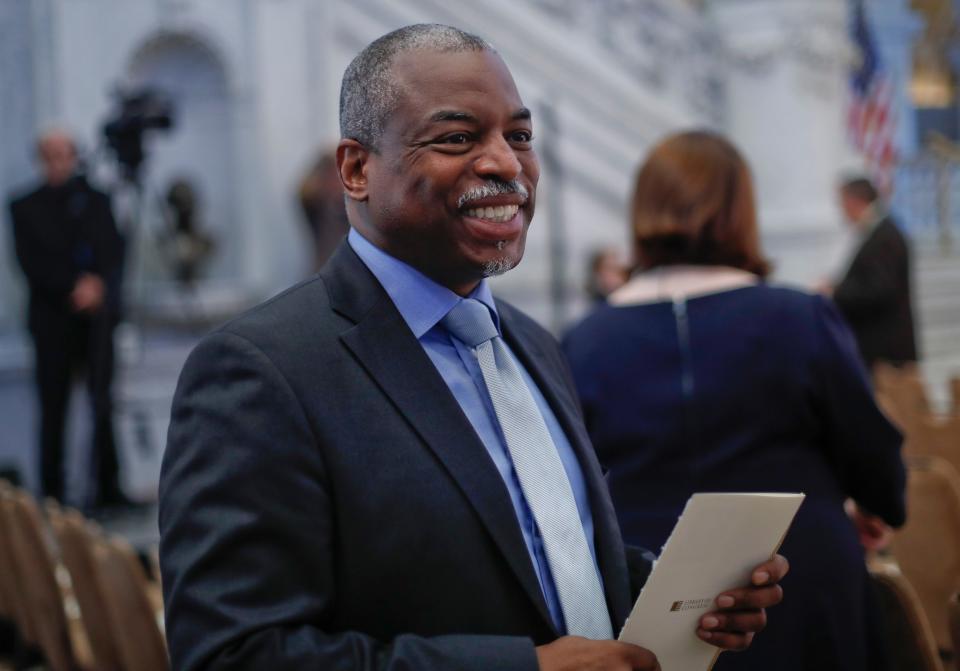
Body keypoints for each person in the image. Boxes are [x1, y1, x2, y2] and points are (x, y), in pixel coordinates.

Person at [159, 27, 787, 671]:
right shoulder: (260, 370)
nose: (506, 164)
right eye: (458, 138)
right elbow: (233, 654)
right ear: (356, 169)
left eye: (519, 136)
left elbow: (542, 561)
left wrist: (676, 595)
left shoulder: (532, 344)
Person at [563, 131, 906, 671]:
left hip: (651, 604)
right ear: (741, 211)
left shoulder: (583, 340)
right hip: (798, 573)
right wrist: (870, 503)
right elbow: (872, 455)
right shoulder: (801, 317)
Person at [8, 129, 127, 508]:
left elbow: (113, 250)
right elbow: (30, 263)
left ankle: (109, 487)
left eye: (65, 154)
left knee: (104, 404)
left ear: (75, 156)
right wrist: (73, 289)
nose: (59, 162)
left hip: (96, 322)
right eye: (50, 155)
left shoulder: (95, 200)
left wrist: (100, 287)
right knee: (54, 408)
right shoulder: (23, 206)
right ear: (40, 160)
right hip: (52, 322)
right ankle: (54, 496)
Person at [823, 177, 918, 370]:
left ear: (854, 201)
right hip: (879, 347)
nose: (841, 210)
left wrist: (835, 292)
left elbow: (878, 290)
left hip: (886, 352)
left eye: (841, 203)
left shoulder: (884, 236)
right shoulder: (878, 232)